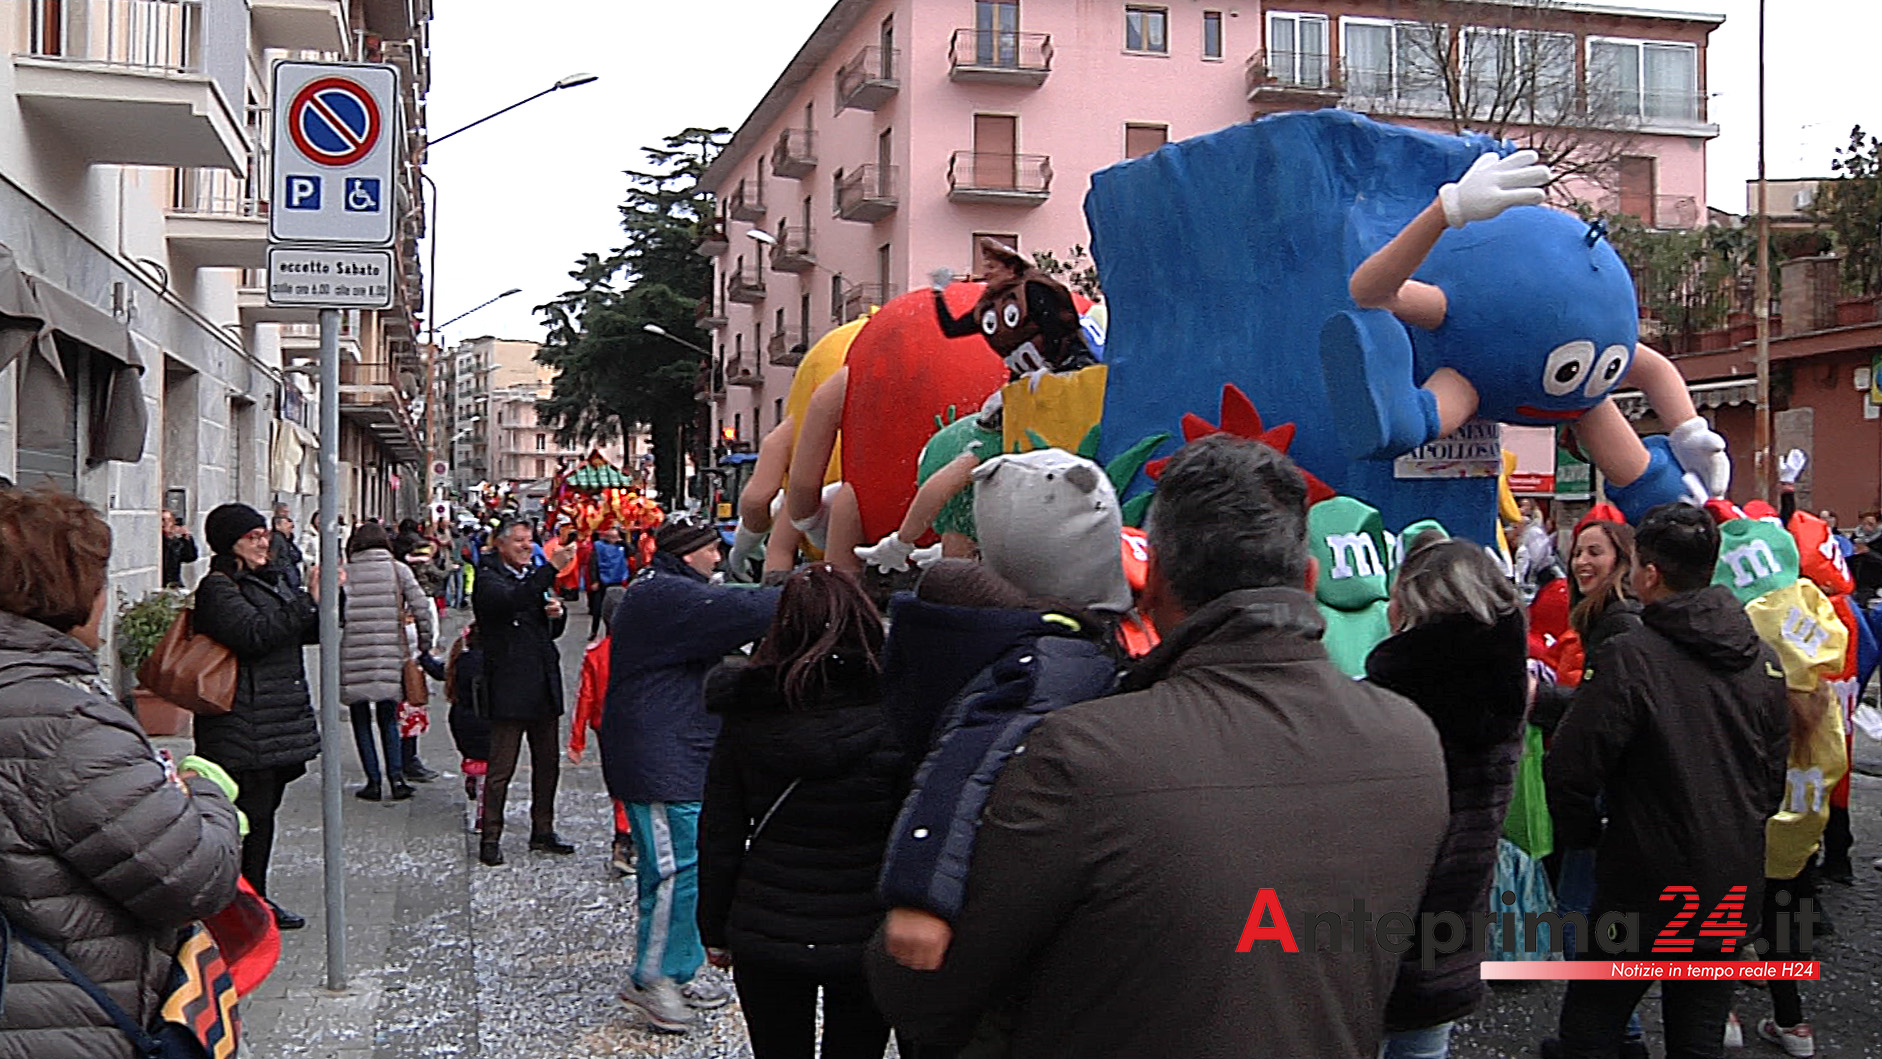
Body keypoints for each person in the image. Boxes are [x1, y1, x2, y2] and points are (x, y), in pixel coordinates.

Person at [866, 435, 1450, 1058]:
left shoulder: (1084, 753)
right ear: (1308, 580)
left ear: (1153, 585)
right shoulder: (1411, 740)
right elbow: (1405, 975)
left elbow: (920, 984)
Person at [0, 488, 244, 1059]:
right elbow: (196, 874)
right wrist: (204, 792)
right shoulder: (59, 721)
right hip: (67, 1022)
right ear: (71, 594)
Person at [1543, 503, 1790, 1059]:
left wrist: (1590, 837)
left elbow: (1571, 769)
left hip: (1643, 880)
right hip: (1730, 878)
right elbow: (1771, 782)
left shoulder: (1631, 655)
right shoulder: (1763, 661)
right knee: (1698, 1035)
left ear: (1649, 574)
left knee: (1593, 1026)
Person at [697, 564, 903, 1058]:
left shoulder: (748, 712)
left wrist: (715, 926)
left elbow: (721, 831)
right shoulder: (898, 710)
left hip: (768, 919)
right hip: (865, 924)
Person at [603, 518, 781, 1032]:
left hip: (675, 750)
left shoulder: (668, 591)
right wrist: (805, 584)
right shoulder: (665, 595)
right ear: (686, 554)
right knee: (673, 871)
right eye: (710, 550)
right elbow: (749, 608)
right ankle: (650, 978)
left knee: (690, 867)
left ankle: (678, 969)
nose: (717, 560)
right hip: (658, 757)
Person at [1366, 534, 1530, 1059]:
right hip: (1451, 940)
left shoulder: (1377, 704)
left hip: (1365, 945)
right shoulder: (1507, 701)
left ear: (1412, 605)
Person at [189, 502, 327, 931]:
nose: (264, 541)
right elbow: (254, 635)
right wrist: (307, 600)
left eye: (264, 533)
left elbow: (304, 631)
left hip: (272, 722)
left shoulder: (265, 580)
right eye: (253, 536)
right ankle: (239, 907)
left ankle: (253, 901)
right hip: (243, 726)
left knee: (261, 818)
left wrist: (322, 600)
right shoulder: (218, 588)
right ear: (231, 544)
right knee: (245, 819)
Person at [471, 517, 577, 866]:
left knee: (548, 763)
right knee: (501, 767)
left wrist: (555, 614)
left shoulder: (532, 576)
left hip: (542, 681)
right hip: (508, 682)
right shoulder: (489, 578)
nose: (526, 547)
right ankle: (490, 835)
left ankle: (542, 829)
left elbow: (546, 623)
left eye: (529, 540)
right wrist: (549, 571)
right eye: (518, 541)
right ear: (499, 544)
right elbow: (511, 601)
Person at [339, 522, 434, 802]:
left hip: (354, 652)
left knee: (360, 719)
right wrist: (424, 647)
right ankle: (396, 777)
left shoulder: (346, 573)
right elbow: (422, 609)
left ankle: (373, 781)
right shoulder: (398, 570)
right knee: (388, 716)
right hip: (390, 651)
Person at [570, 584, 634, 876]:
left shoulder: (596, 653)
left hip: (605, 726)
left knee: (618, 784)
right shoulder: (641, 651)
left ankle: (622, 838)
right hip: (637, 724)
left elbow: (585, 696)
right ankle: (632, 839)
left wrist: (577, 740)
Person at [588, 526, 631, 640]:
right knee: (598, 608)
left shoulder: (621, 546)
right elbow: (593, 564)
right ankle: (594, 631)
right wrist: (594, 580)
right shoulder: (598, 546)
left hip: (617, 580)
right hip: (602, 580)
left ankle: (610, 632)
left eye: (615, 537)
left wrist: (623, 542)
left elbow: (632, 552)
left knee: (615, 608)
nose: (613, 539)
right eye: (611, 537)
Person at [159, 507, 198, 588]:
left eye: (169, 520)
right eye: (163, 520)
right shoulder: (160, 540)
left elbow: (189, 557)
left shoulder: (175, 541)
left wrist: (186, 538)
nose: (166, 523)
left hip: (174, 581)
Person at [269, 514, 305, 590]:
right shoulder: (277, 539)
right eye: (285, 524)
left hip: (291, 578)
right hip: (284, 580)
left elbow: (297, 556)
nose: (289, 527)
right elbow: (273, 558)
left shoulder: (288, 541)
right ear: (277, 526)